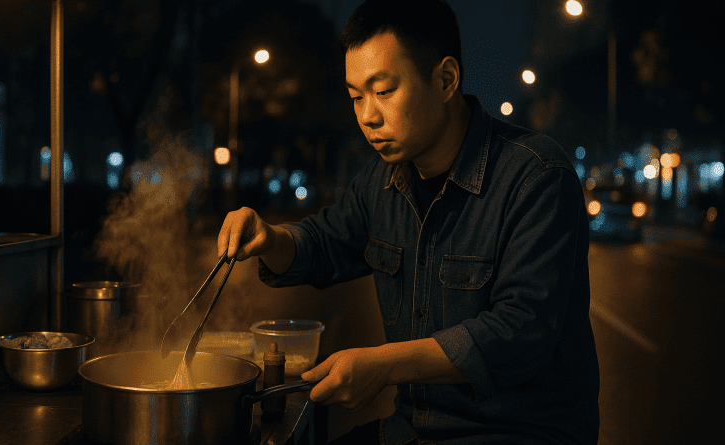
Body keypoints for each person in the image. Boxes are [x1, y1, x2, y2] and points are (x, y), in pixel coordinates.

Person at [218, 0, 600, 443]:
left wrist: (384, 366)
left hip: (518, 432)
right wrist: (270, 238)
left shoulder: (537, 176)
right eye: (356, 96)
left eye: (383, 91)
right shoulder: (381, 181)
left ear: (446, 79)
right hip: (412, 430)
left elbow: (521, 332)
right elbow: (323, 243)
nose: (367, 116)